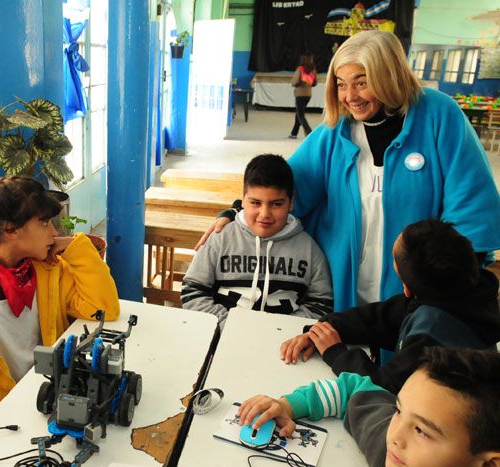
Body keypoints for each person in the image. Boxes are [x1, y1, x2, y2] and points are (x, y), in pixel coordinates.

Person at [196, 30, 500, 314]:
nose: (350, 96)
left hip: (419, 289)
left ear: (388, 76)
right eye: (341, 84)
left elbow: (471, 203)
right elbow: (285, 186)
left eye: (362, 82)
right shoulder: (336, 131)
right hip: (342, 284)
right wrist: (235, 211)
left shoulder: (438, 114)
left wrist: (450, 284)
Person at [0, 176, 120, 421]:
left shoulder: (49, 271)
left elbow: (104, 309)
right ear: (10, 230)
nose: (54, 231)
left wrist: (75, 246)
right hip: (3, 422)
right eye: (45, 223)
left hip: (55, 402)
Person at [239, 347, 500, 467]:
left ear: (489, 465)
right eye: (398, 410)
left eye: (421, 431)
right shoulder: (392, 445)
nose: (395, 435)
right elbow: (352, 390)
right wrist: (288, 405)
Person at [279, 218, 500, 394]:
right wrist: (326, 328)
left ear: (407, 289)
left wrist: (336, 354)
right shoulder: (460, 288)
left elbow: (386, 388)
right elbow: (380, 316)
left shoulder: (433, 337)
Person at [181, 154, 333, 328]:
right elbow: (192, 291)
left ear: (291, 202)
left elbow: (321, 303)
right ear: (243, 200)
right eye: (255, 203)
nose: (265, 214)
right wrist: (227, 327)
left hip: (284, 346)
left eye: (276, 204)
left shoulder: (309, 249)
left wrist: (285, 332)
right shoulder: (220, 238)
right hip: (222, 338)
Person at [288, 53, 317, 139]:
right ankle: (294, 133)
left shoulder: (300, 69)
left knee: (300, 115)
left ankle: (309, 132)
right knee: (299, 113)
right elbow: (314, 83)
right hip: (308, 95)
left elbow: (294, 82)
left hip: (300, 94)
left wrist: (297, 83)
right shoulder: (313, 70)